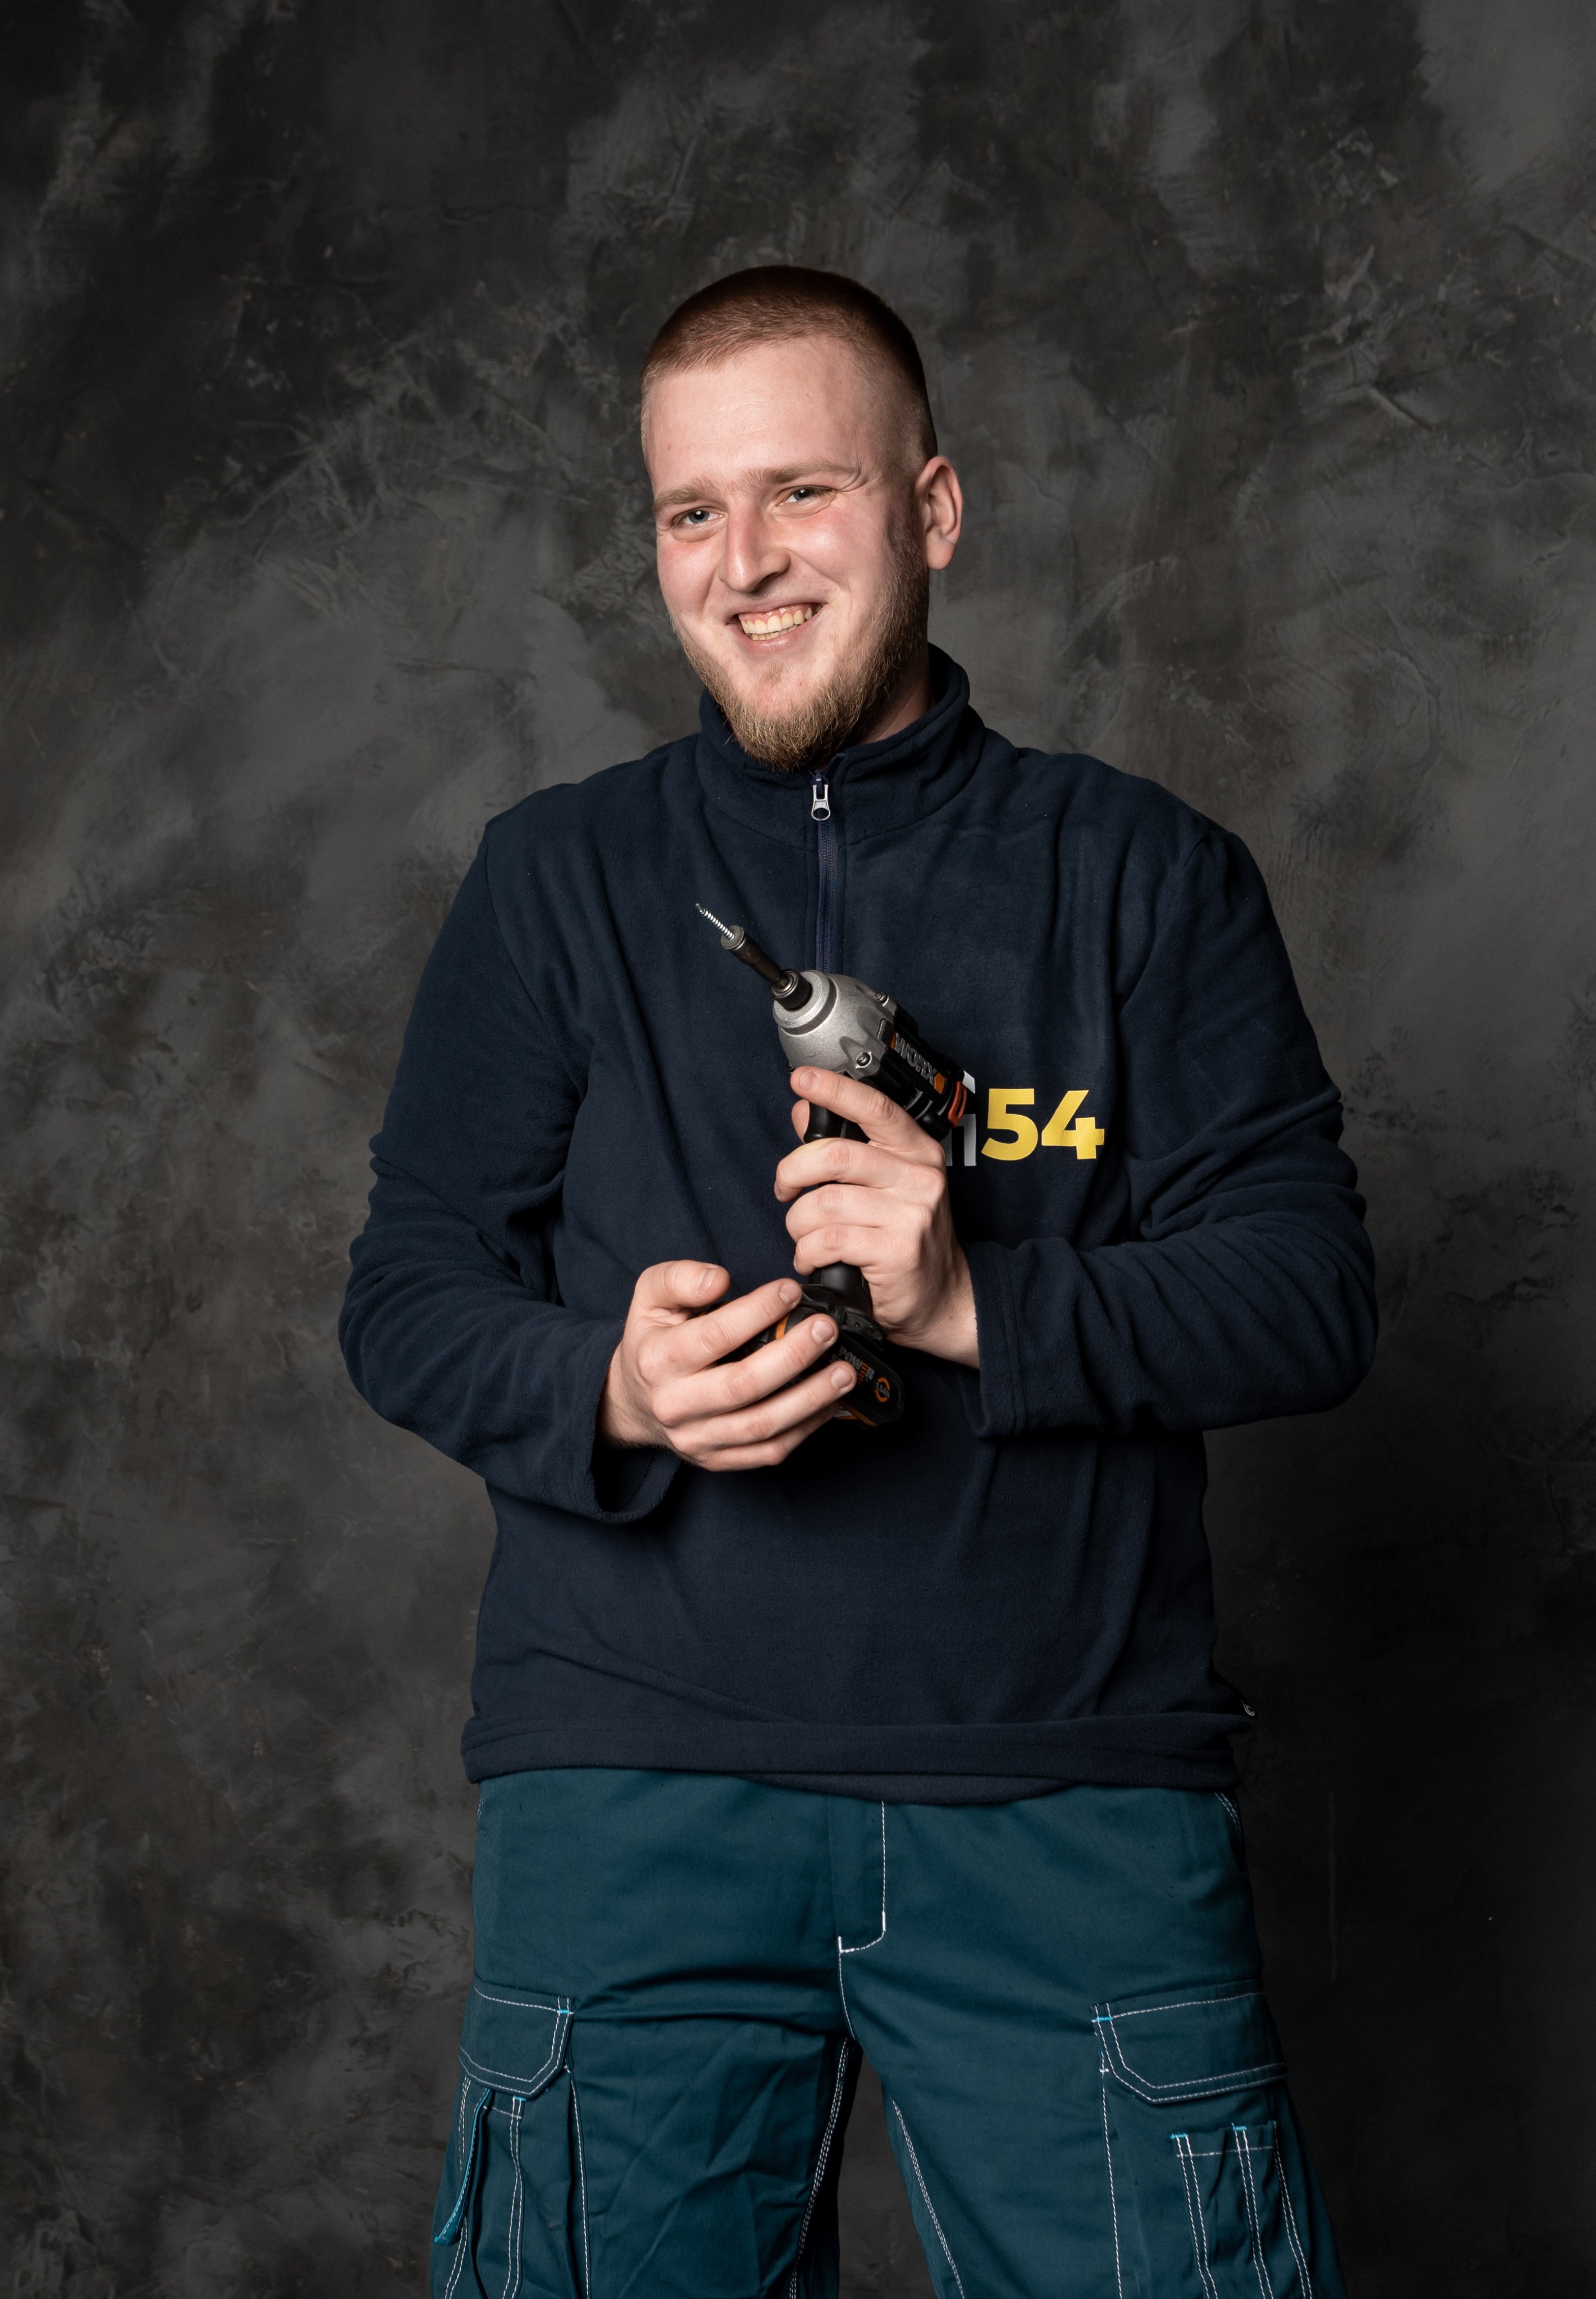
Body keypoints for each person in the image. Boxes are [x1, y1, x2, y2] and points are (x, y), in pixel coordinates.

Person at [341, 265, 1375, 2299]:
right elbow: (409, 1290)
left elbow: (1307, 1295)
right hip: (631, 1789)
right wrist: (610, 1389)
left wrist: (976, 1302)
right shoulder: (554, 879)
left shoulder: (1141, 875)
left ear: (932, 509)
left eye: (799, 491)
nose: (743, 562)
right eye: (690, 510)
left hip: (1063, 1786)